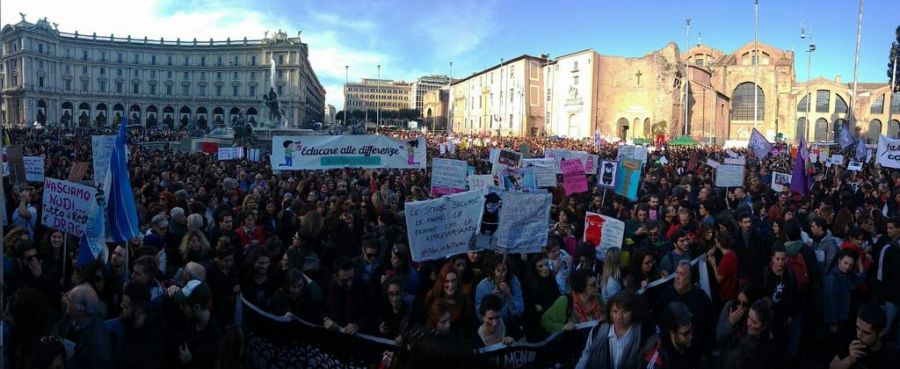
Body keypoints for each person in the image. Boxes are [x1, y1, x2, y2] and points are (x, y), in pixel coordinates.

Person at [575, 290, 652, 369]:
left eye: (624, 312)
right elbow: (586, 355)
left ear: (633, 312)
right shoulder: (597, 330)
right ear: (610, 312)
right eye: (615, 311)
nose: (619, 317)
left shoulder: (643, 333)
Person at [657, 260, 715, 356]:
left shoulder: (701, 298)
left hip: (694, 350)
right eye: (676, 273)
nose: (677, 277)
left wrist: (708, 351)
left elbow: (709, 325)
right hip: (670, 351)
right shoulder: (666, 294)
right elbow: (658, 319)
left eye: (682, 274)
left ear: (689, 278)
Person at [53, 284, 114, 369]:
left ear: (81, 308)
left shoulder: (97, 345)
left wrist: (70, 359)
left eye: (70, 301)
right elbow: (56, 329)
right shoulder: (71, 315)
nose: (66, 302)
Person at [829, 303, 900, 369]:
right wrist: (850, 360)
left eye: (866, 333)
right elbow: (832, 366)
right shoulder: (853, 338)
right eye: (858, 328)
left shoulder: (891, 356)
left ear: (880, 333)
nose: (859, 335)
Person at [173, 280, 222, 369]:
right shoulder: (187, 317)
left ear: (196, 307)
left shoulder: (215, 339)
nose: (180, 308)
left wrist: (190, 362)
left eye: (184, 305)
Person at [640, 302, 701, 369]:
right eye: (685, 334)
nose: (691, 336)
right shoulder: (658, 358)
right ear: (672, 332)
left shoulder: (690, 344)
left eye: (691, 329)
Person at [541, 268, 603, 334]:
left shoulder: (597, 297)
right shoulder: (565, 301)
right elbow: (545, 320)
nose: (598, 286)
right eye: (593, 284)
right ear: (581, 286)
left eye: (597, 282)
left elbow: (607, 314)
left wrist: (605, 317)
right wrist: (562, 327)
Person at [323, 256, 373, 335]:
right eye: (344, 280)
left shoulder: (363, 286)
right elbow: (317, 307)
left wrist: (358, 324)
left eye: (351, 278)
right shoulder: (326, 285)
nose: (349, 284)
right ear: (335, 277)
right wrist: (325, 319)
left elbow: (372, 311)